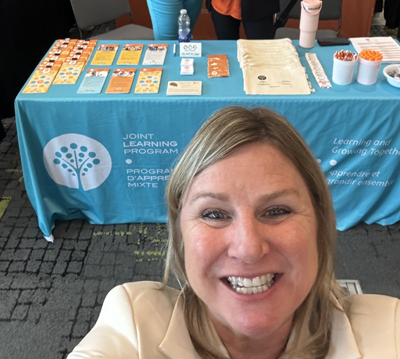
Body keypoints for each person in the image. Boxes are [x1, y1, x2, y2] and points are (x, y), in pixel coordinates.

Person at [67, 106, 400, 359]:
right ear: (181, 235)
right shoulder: (135, 325)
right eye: (214, 214)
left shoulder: (388, 329)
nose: (249, 248)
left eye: (277, 211)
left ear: (319, 223)